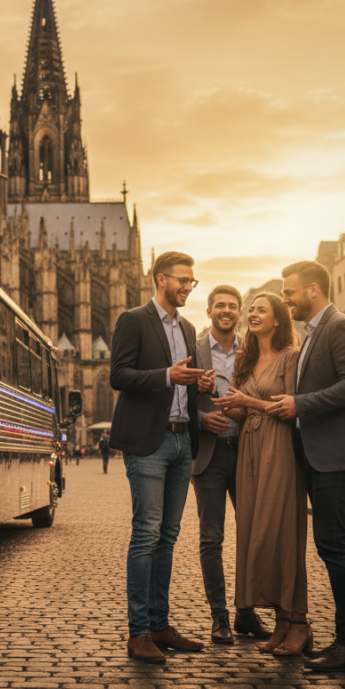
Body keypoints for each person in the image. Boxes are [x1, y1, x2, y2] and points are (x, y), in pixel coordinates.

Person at [266, 261, 345, 672]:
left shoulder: (340, 326)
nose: (285, 299)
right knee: (344, 543)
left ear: (313, 290)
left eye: (289, 292)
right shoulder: (314, 331)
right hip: (324, 453)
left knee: (333, 545)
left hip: (338, 453)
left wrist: (300, 404)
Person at [109, 251, 207, 664]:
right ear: (161, 279)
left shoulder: (187, 327)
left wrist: (203, 383)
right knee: (147, 535)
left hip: (183, 440)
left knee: (167, 537)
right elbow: (119, 375)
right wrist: (167, 375)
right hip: (150, 442)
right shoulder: (133, 319)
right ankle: (139, 633)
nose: (188, 287)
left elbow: (188, 383)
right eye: (183, 280)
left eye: (192, 282)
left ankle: (161, 624)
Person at [213, 292, 310, 657]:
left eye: (260, 310)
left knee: (282, 532)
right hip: (250, 452)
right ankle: (282, 623)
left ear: (277, 319)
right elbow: (240, 414)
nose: (252, 314)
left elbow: (287, 407)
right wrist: (223, 400)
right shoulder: (245, 357)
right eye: (250, 310)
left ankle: (299, 622)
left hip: (279, 448)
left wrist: (247, 402)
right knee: (256, 536)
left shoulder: (290, 356)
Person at [191, 285, 271, 645]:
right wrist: (199, 419)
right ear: (208, 311)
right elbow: (171, 399)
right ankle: (219, 617)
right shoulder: (191, 350)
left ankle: (246, 613)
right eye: (219, 305)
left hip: (247, 451)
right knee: (212, 538)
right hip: (209, 455)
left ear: (239, 314)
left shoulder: (253, 350)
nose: (226, 311)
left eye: (232, 306)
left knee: (252, 536)